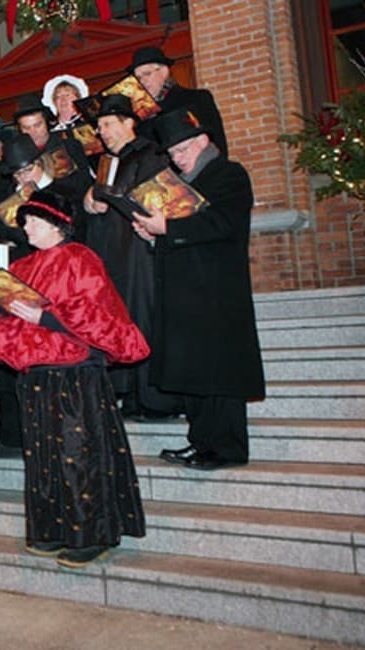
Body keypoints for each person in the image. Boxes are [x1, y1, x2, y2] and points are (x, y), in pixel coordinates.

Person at [0, 192, 149, 568]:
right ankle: (50, 530)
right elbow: (14, 321)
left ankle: (91, 534)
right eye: (23, 222)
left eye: (33, 221)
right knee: (43, 458)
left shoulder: (80, 258)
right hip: (36, 376)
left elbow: (97, 313)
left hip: (75, 373)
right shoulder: (21, 267)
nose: (26, 228)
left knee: (78, 455)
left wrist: (47, 318)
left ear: (56, 224)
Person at [132, 109, 264, 470]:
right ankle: (201, 442)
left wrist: (168, 228)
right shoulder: (179, 184)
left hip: (216, 292)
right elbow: (178, 233)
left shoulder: (228, 174)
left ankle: (226, 448)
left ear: (204, 140)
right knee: (194, 374)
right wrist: (153, 236)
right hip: (185, 295)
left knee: (219, 375)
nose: (177, 158)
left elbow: (222, 223)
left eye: (183, 149)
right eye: (172, 154)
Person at [83, 93, 183, 419]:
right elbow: (93, 204)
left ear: (129, 123)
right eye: (99, 127)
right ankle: (130, 396)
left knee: (145, 318)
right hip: (113, 251)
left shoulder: (150, 154)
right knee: (121, 320)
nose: (103, 132)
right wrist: (89, 200)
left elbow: (157, 199)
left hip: (140, 251)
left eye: (108, 124)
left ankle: (156, 401)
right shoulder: (105, 164)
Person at [130, 46, 229, 155]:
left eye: (147, 74)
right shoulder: (141, 114)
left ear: (164, 71)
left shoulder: (197, 98)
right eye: (138, 78)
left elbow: (217, 142)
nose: (143, 81)